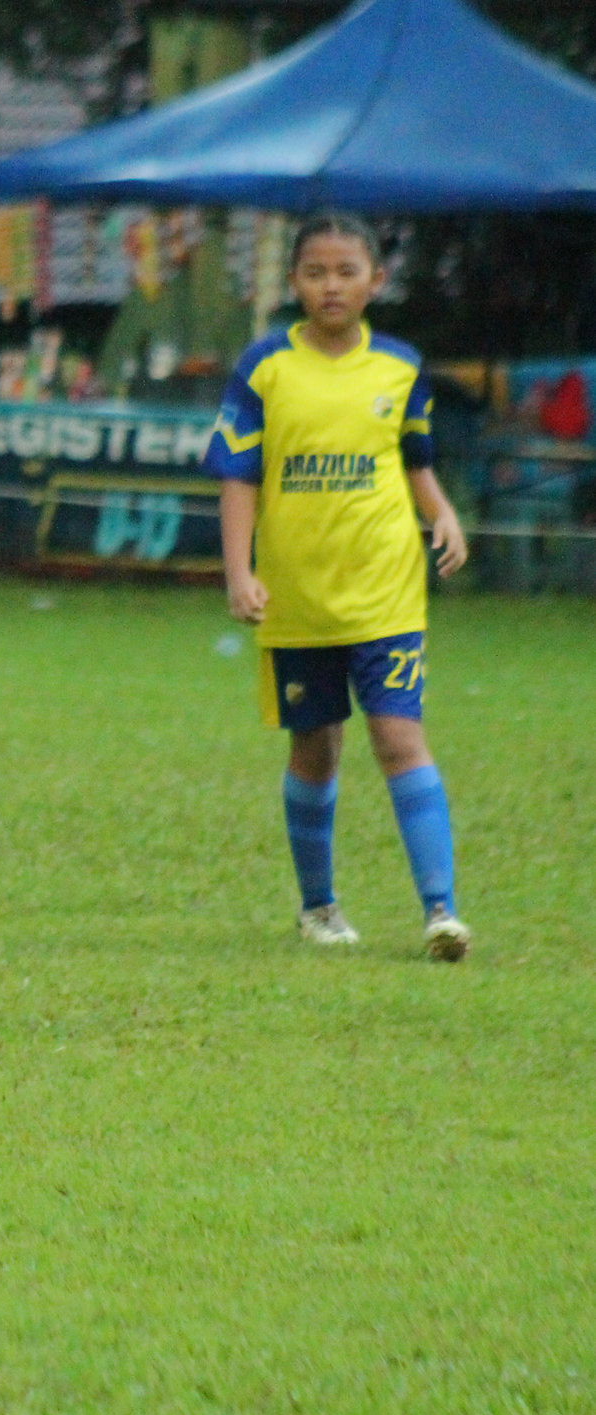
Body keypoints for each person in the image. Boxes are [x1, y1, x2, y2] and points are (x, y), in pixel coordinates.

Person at [207, 211, 472, 961]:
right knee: (315, 748)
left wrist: (442, 514)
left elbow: (414, 461)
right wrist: (239, 571)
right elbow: (238, 476)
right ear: (294, 281)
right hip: (297, 598)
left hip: (386, 591)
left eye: (346, 272)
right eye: (316, 272)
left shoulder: (401, 368)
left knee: (398, 737)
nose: (331, 285)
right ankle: (319, 907)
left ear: (375, 281)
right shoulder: (264, 366)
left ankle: (441, 911)